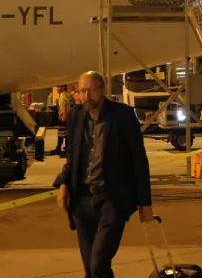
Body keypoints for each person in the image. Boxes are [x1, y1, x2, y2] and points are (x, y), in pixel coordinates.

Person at [54, 71, 154, 278]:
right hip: (82, 201)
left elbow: (139, 160)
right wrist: (63, 183)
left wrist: (145, 203)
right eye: (82, 91)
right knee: (91, 270)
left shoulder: (123, 115)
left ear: (103, 90)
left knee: (98, 263)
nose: (87, 96)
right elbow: (72, 157)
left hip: (112, 199)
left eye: (92, 90)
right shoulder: (75, 115)